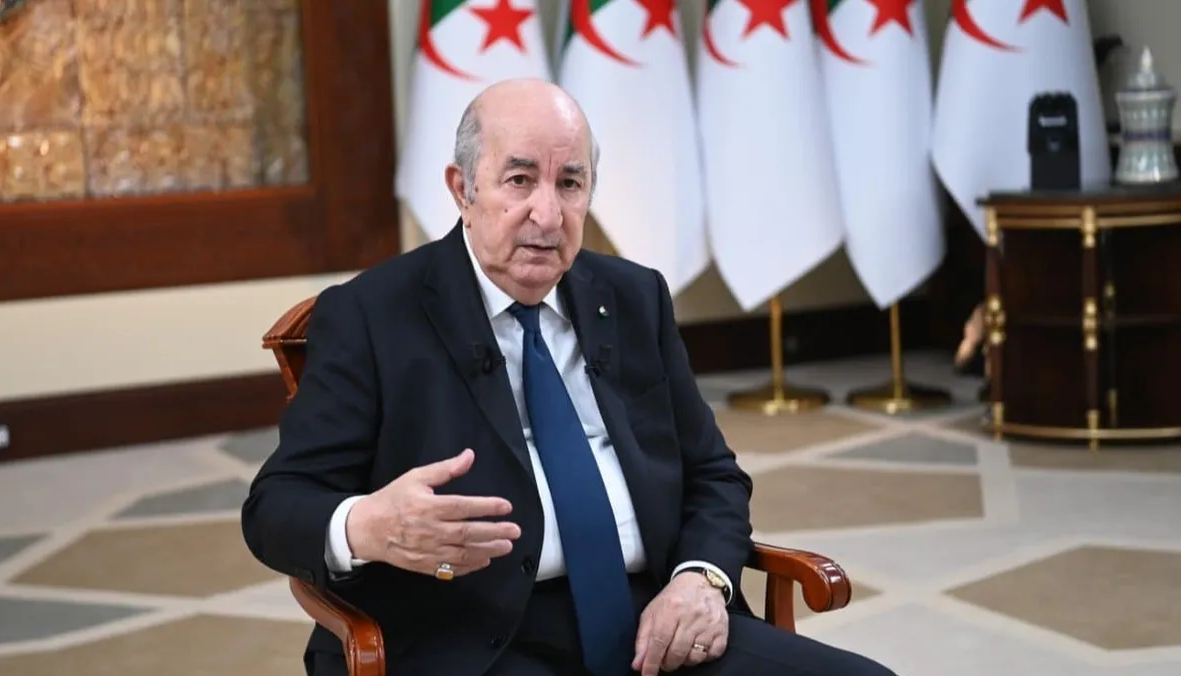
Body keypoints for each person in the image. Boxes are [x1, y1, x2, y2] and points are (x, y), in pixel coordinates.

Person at [241, 78, 897, 676]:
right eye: (519, 180)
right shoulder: (372, 315)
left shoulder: (634, 297)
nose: (548, 215)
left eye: (570, 184)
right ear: (462, 189)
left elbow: (712, 473)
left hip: (656, 619)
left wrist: (700, 581)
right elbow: (276, 505)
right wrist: (367, 525)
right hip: (472, 641)